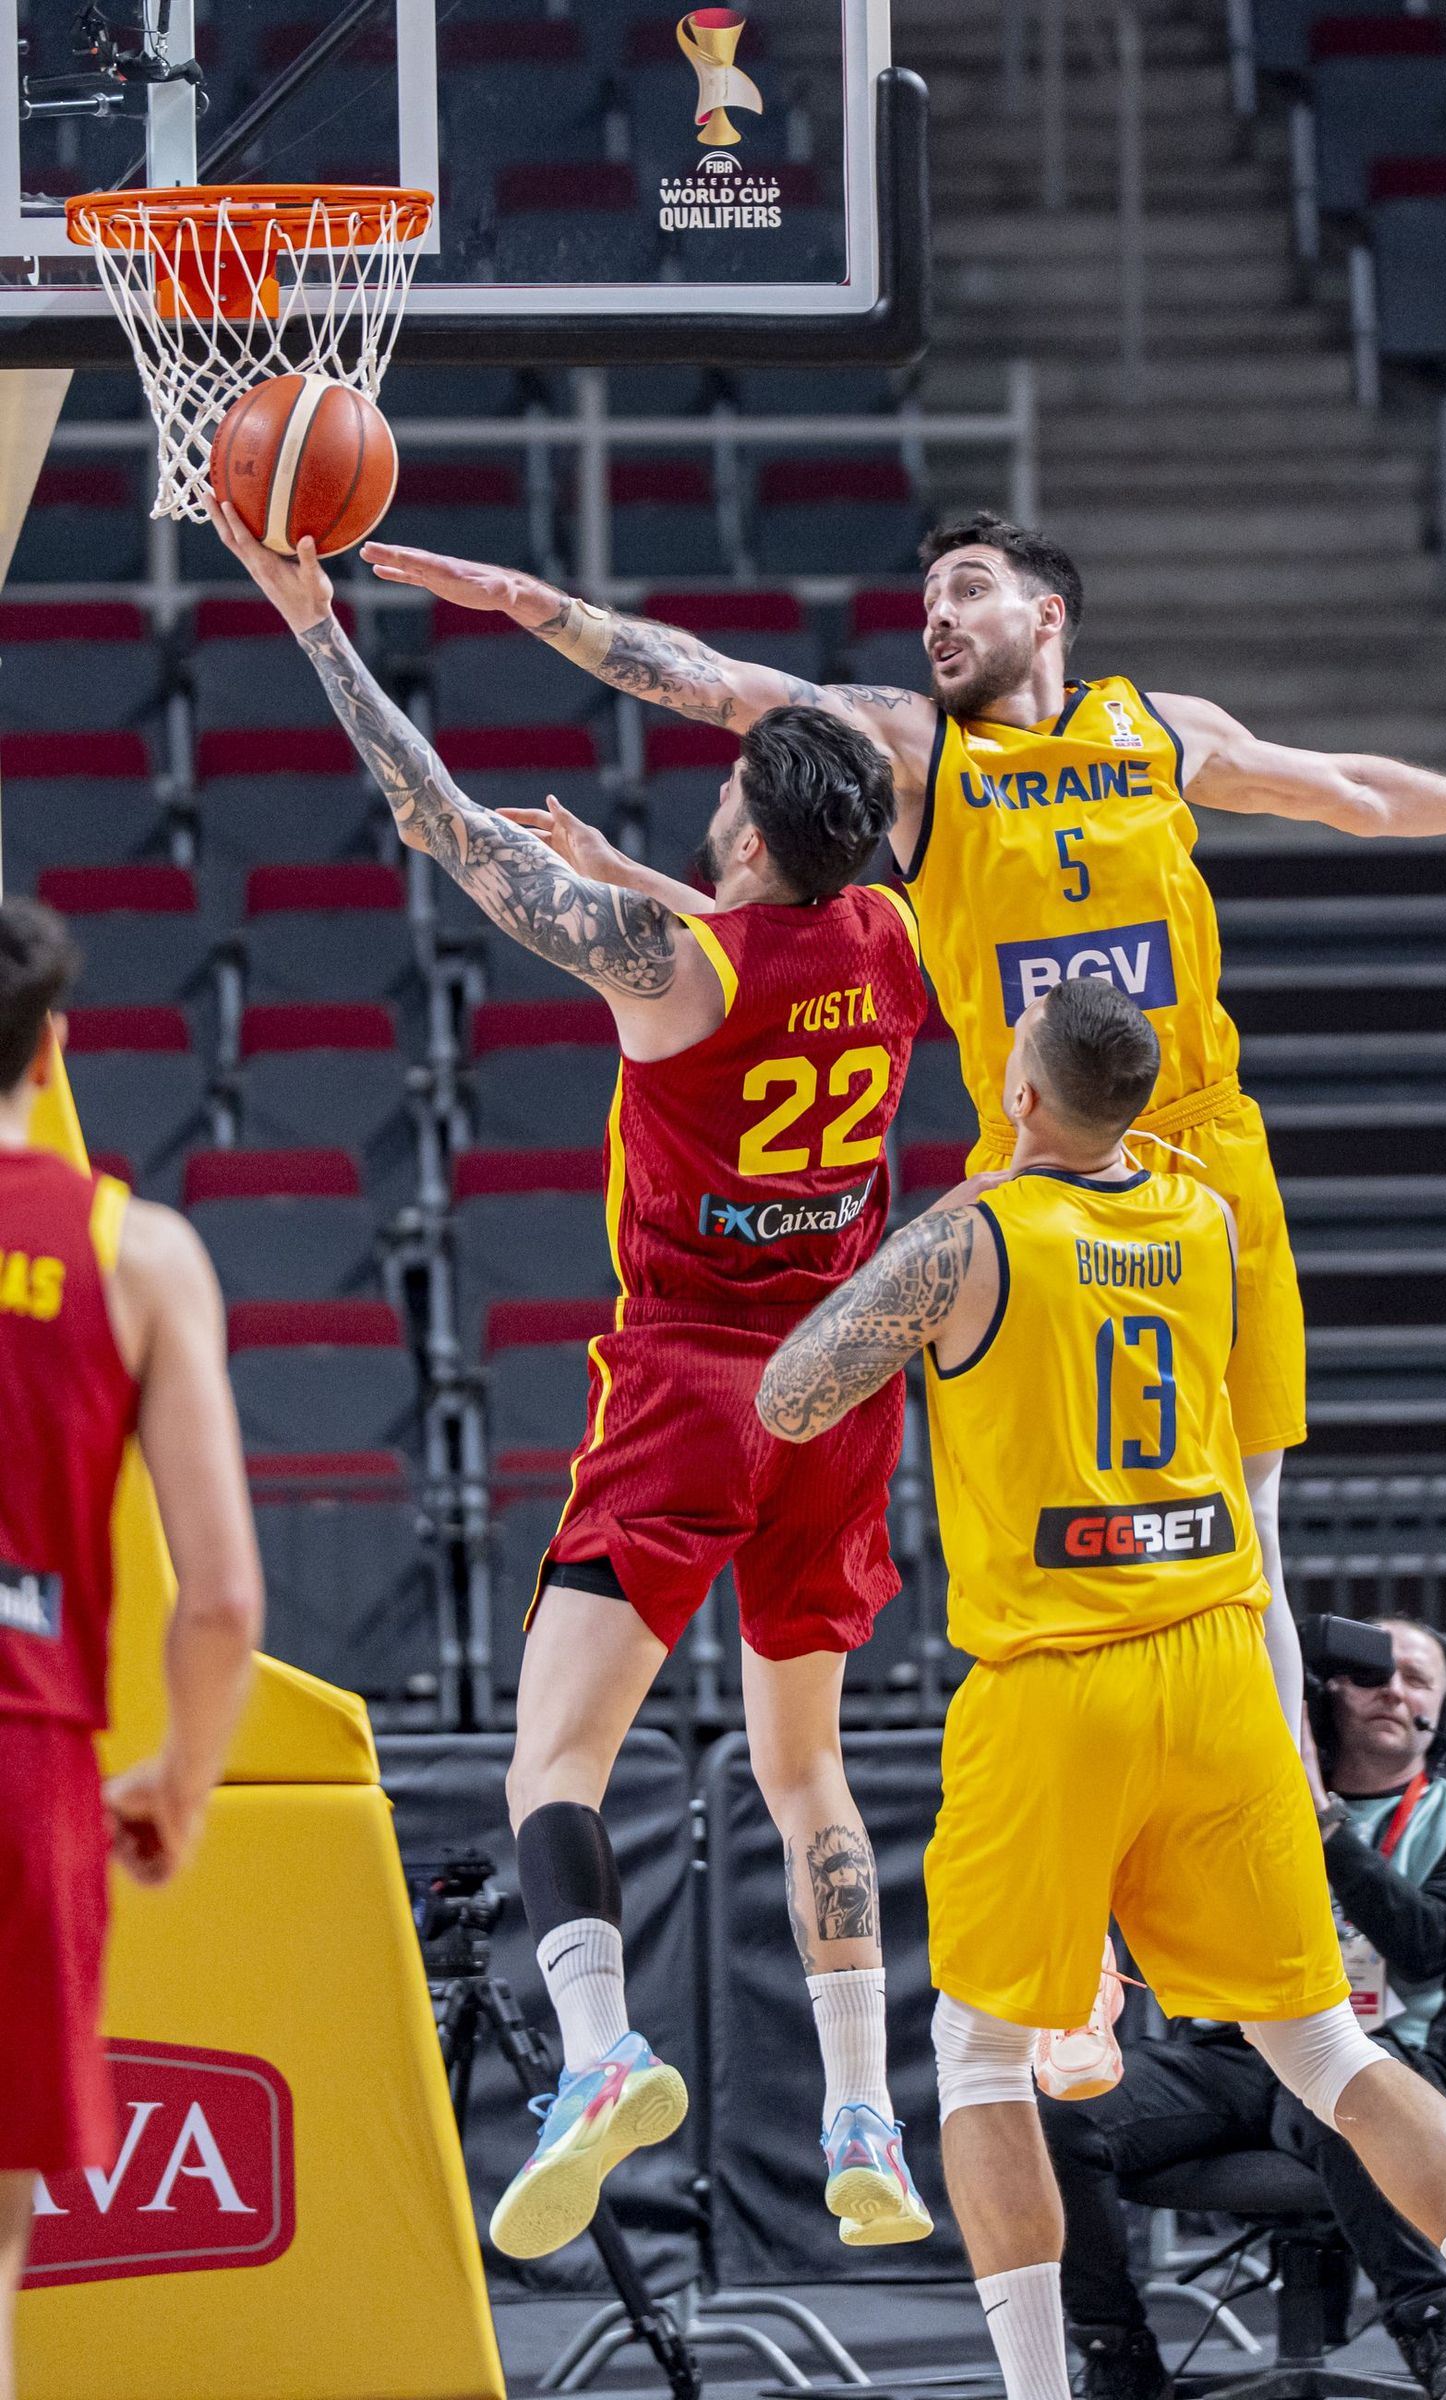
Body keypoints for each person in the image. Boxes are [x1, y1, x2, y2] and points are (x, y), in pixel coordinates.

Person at [357, 510, 1446, 1754]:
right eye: (926, 602)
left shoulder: (1159, 729)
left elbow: (1353, 792)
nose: (936, 617)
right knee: (1050, 1522)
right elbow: (720, 684)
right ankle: (1074, 1785)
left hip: (1203, 1144)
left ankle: (1291, 1819)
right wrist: (533, 604)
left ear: (1045, 614)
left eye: (965, 589)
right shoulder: (916, 747)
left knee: (1247, 1519)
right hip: (1034, 1174)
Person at [208, 499, 935, 2259]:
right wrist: (644, 878)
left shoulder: (668, 972)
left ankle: (601, 2050)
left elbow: (438, 821)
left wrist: (311, 621)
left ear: (745, 829)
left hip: (693, 1384)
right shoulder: (892, 942)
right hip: (840, 1390)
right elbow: (780, 946)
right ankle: (863, 2113)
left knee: (559, 1758)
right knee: (808, 1774)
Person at [754, 977, 1446, 2400]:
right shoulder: (1203, 1217)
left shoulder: (969, 1236)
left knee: (978, 2055)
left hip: (1058, 1678)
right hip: (1213, 1667)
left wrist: (915, 1252)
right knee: (1326, 2045)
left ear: (1018, 1091)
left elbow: (790, 1395)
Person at [0, 899, 262, 2400]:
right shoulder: (137, 1252)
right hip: (24, 1757)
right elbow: (221, 1602)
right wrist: (181, 1780)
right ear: (52, 1049)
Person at [1044, 1617, 1446, 2400]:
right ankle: (1116, 2350)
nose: (1391, 1691)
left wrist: (1322, 1820)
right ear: (1320, 1696)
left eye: (1416, 1679)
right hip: (1232, 2055)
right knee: (1060, 2110)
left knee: (1356, 2102)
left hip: (1382, 2056)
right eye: (1370, 1674)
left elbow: (1429, 1943)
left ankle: (1437, 2337)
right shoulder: (1240, 1806)